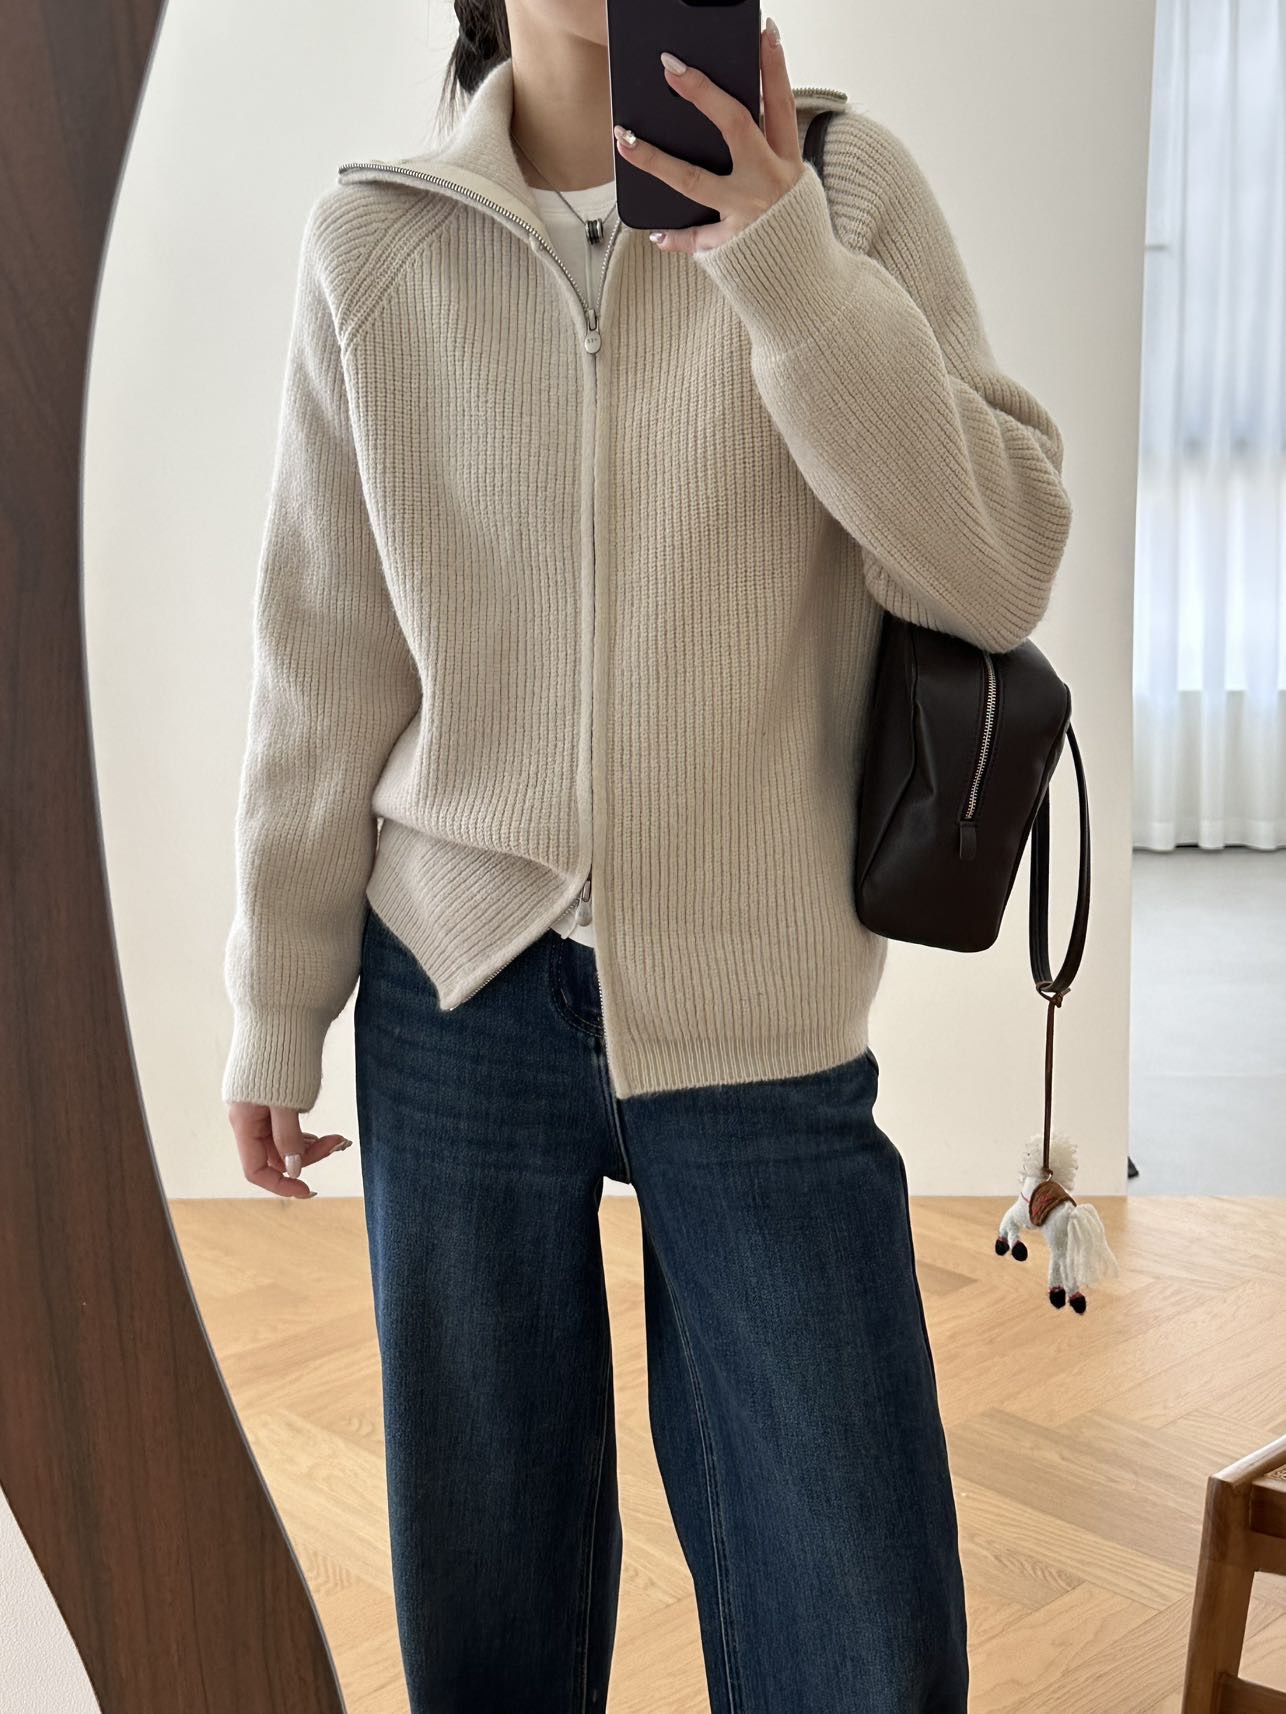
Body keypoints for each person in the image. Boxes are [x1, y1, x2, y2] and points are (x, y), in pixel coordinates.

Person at [222, 3, 1073, 1709]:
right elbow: (324, 657)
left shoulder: (843, 190)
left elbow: (994, 567)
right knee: (487, 1612)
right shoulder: (375, 242)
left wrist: (781, 263)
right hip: (455, 987)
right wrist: (277, 1003)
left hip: (757, 997)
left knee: (860, 1629)